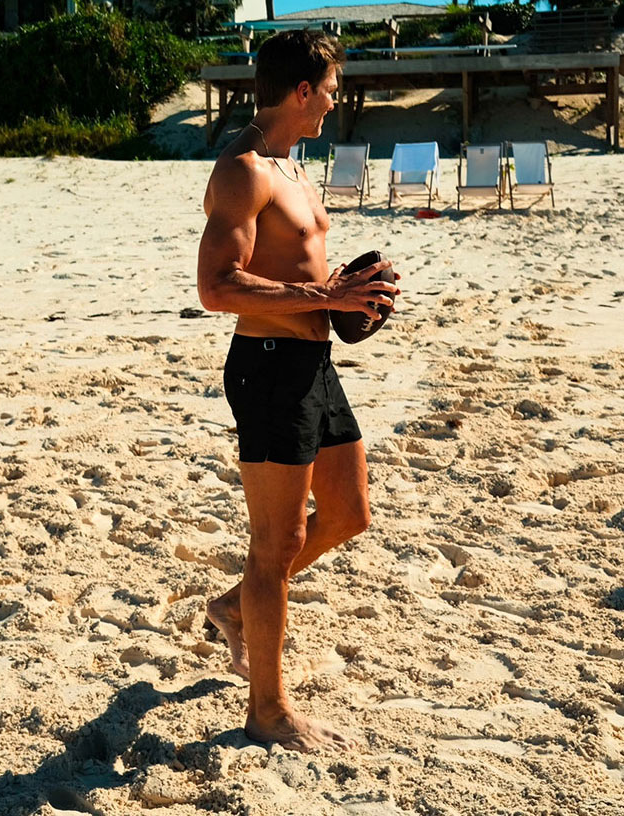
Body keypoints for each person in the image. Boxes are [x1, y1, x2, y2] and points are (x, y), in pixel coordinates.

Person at [197, 30, 399, 753]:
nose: (337, 101)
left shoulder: (293, 168)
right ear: (303, 90)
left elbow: (304, 270)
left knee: (347, 513)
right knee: (275, 544)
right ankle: (268, 711)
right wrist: (324, 292)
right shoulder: (242, 170)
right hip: (267, 362)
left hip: (314, 360)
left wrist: (349, 296)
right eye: (332, 88)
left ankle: (232, 606)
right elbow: (217, 286)